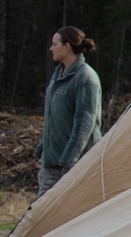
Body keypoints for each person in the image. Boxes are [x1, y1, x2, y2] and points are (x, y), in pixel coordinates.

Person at [37, 27, 102, 197]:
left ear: (67, 47)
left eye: (54, 44)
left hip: (74, 166)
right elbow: (57, 118)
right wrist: (44, 148)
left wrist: (69, 162)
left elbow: (84, 124)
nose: (51, 48)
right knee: (41, 215)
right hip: (52, 164)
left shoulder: (86, 78)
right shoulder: (58, 75)